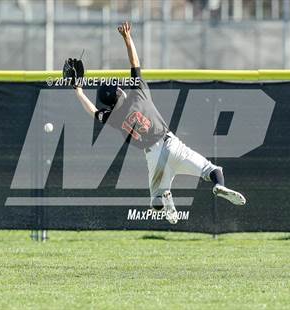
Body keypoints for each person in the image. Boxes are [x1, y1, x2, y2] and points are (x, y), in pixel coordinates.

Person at [73, 21, 246, 224]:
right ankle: (218, 187)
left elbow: (93, 111)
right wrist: (128, 39)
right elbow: (134, 64)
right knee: (213, 171)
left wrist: (78, 90)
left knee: (155, 202)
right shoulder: (138, 95)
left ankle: (166, 199)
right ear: (119, 91)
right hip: (171, 144)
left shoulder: (114, 118)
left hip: (153, 156)